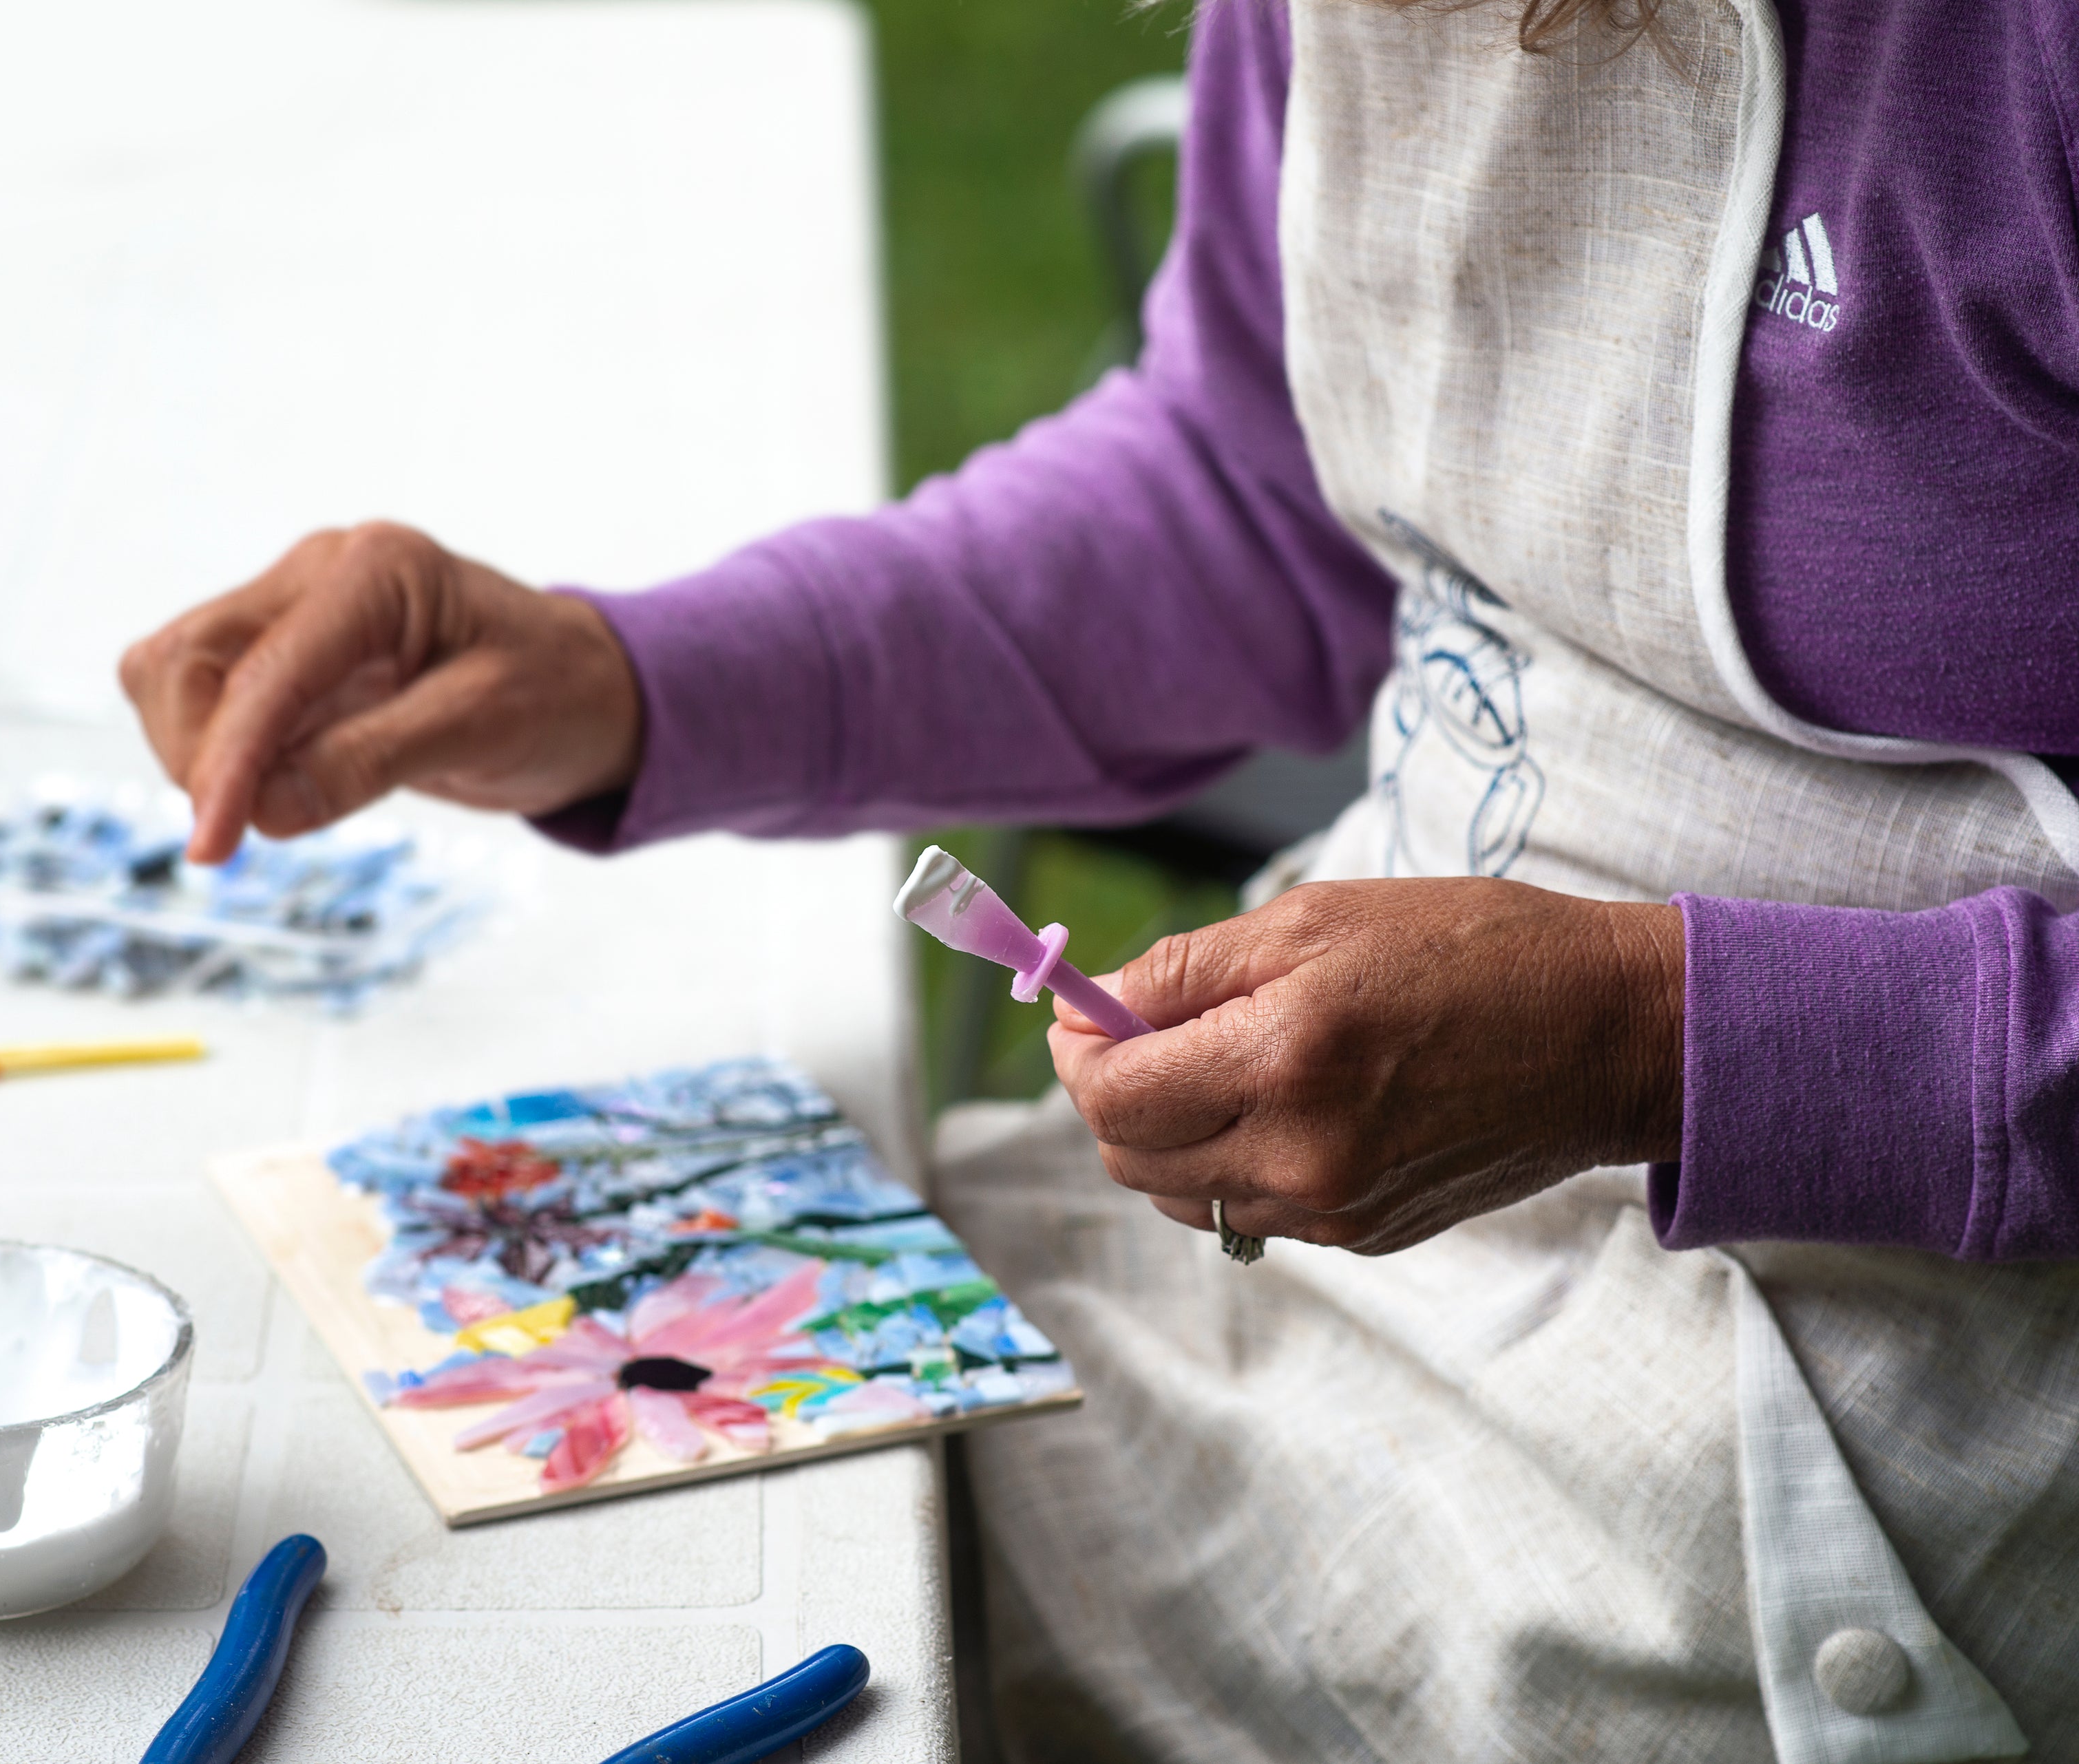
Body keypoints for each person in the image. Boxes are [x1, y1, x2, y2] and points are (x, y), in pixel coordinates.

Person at [121, 0, 2079, 1753]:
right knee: (496, 1510)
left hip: (1897, 1407)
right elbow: (1252, 497)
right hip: (1388, 1280)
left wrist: (1650, 1038)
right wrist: (624, 680)